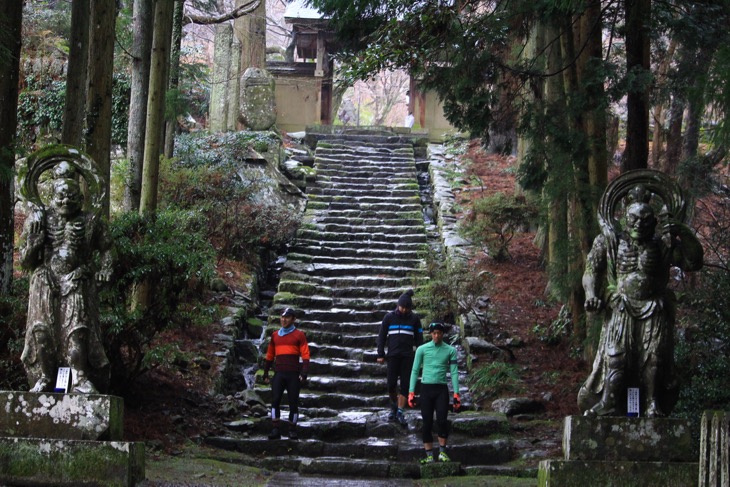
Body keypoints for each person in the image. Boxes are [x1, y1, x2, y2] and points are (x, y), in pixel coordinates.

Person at [578, 178, 704, 418]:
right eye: (634, 219)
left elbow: (694, 261)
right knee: (615, 355)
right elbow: (591, 271)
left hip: (653, 307)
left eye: (645, 220)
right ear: (625, 218)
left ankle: (652, 403)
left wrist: (681, 230)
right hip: (621, 305)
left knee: (655, 357)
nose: (639, 224)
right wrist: (592, 294)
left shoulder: (662, 244)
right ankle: (609, 402)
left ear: (654, 222)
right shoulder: (610, 241)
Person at [19, 156, 111, 394]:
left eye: (72, 196)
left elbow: (108, 248)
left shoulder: (90, 221)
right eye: (60, 196)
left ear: (81, 198)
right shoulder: (40, 220)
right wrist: (35, 243)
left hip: (75, 279)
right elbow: (26, 261)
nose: (66, 200)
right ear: (51, 197)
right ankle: (45, 376)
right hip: (46, 280)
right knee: (42, 329)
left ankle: (79, 377)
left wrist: (104, 268)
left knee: (77, 328)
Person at [409, 322, 461, 463]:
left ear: (443, 334)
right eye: (434, 333)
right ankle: (429, 455)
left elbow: (454, 372)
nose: (436, 335)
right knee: (427, 422)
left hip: (441, 389)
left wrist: (456, 393)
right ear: (430, 334)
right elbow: (414, 371)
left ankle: (442, 452)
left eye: (439, 333)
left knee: (442, 420)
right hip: (426, 388)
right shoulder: (422, 349)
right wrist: (411, 392)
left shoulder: (450, 350)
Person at [262, 307, 310, 440]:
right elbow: (270, 355)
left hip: (293, 374)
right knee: (275, 400)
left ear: (293, 319)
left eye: (287, 317)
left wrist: (304, 372)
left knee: (293, 402)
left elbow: (305, 354)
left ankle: (292, 429)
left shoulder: (299, 335)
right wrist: (265, 373)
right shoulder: (275, 335)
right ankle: (275, 429)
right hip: (279, 373)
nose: (283, 320)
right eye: (282, 317)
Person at [377, 290, 423, 425]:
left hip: (407, 357)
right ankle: (394, 405)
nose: (403, 310)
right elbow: (381, 336)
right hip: (392, 356)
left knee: (405, 385)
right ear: (398, 305)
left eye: (406, 308)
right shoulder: (389, 318)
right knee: (391, 385)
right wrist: (380, 353)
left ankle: (400, 412)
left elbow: (419, 340)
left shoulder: (414, 319)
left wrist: (420, 356)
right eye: (402, 307)